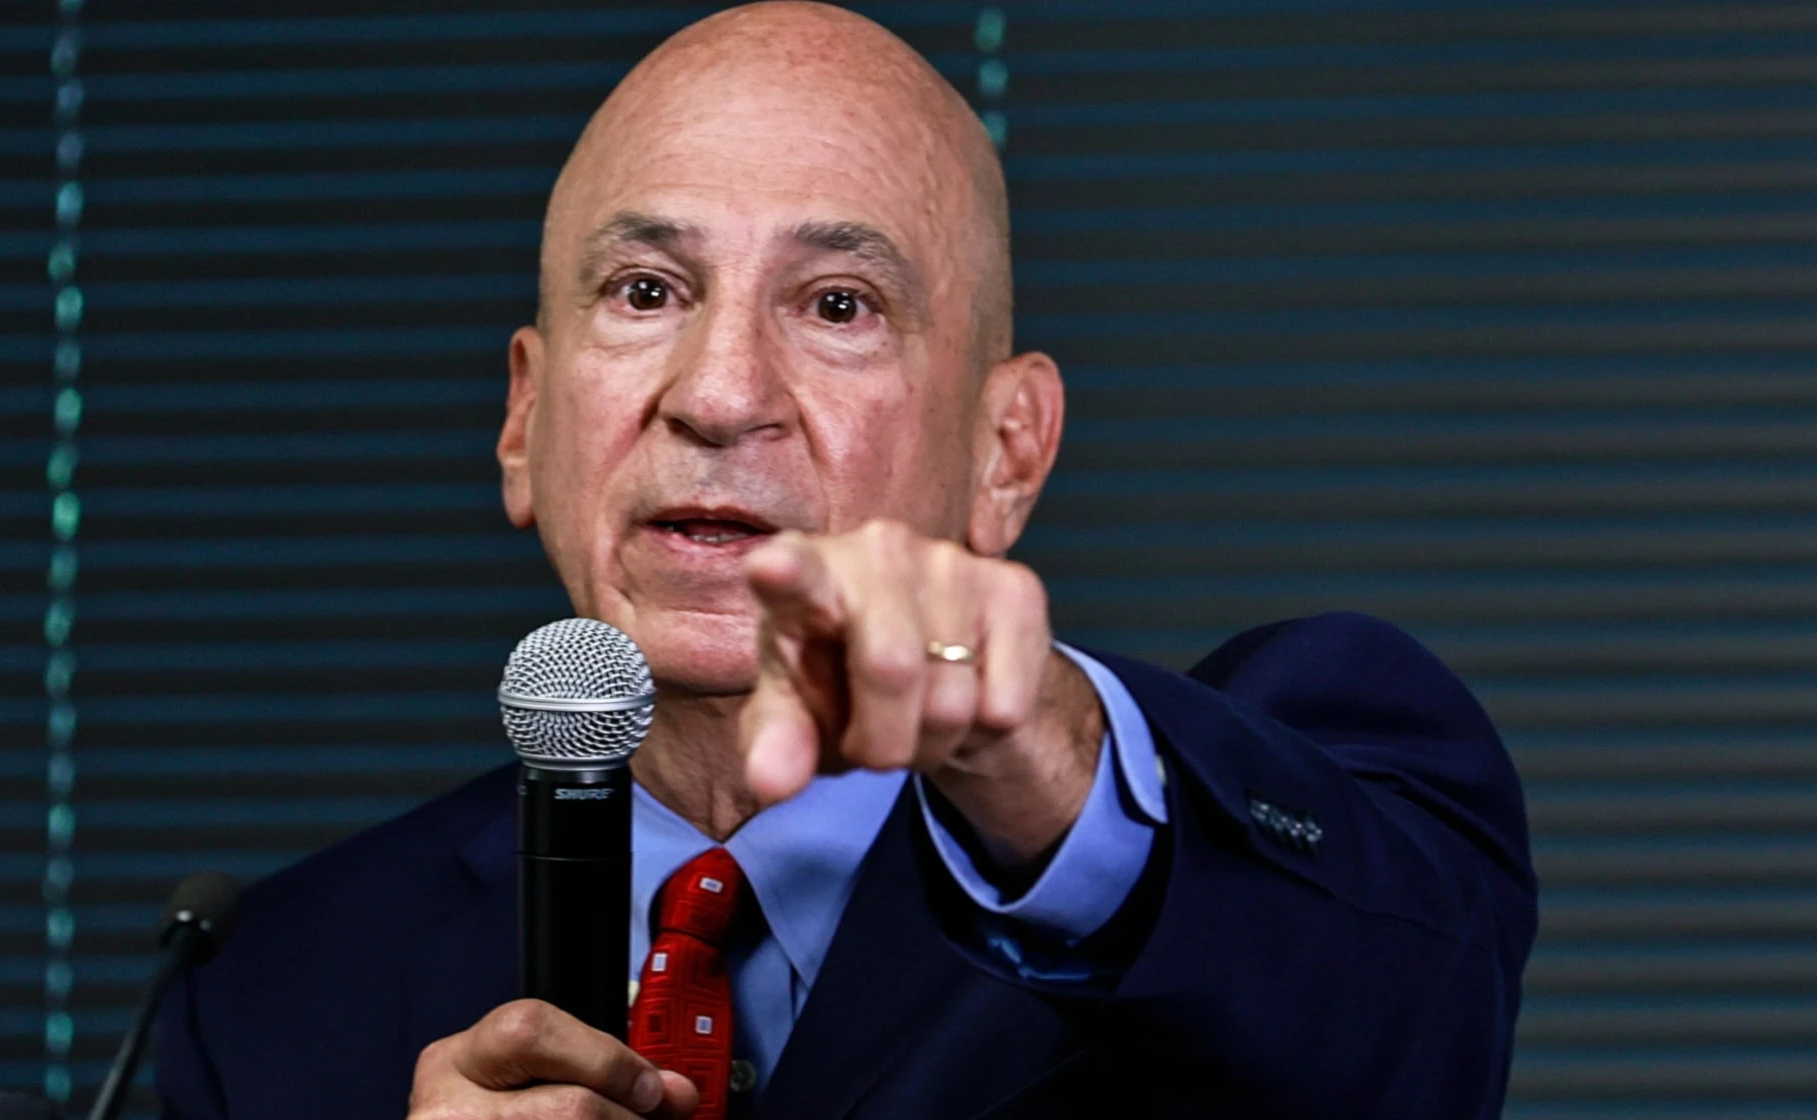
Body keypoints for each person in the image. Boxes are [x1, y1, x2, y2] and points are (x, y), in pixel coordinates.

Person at [155, 4, 1536, 1118]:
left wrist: (1042, 759)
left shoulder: (1285, 830)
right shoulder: (268, 989)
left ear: (1008, 451)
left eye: (836, 305)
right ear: (525, 419)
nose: (717, 391)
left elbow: (1408, 1021)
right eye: (648, 292)